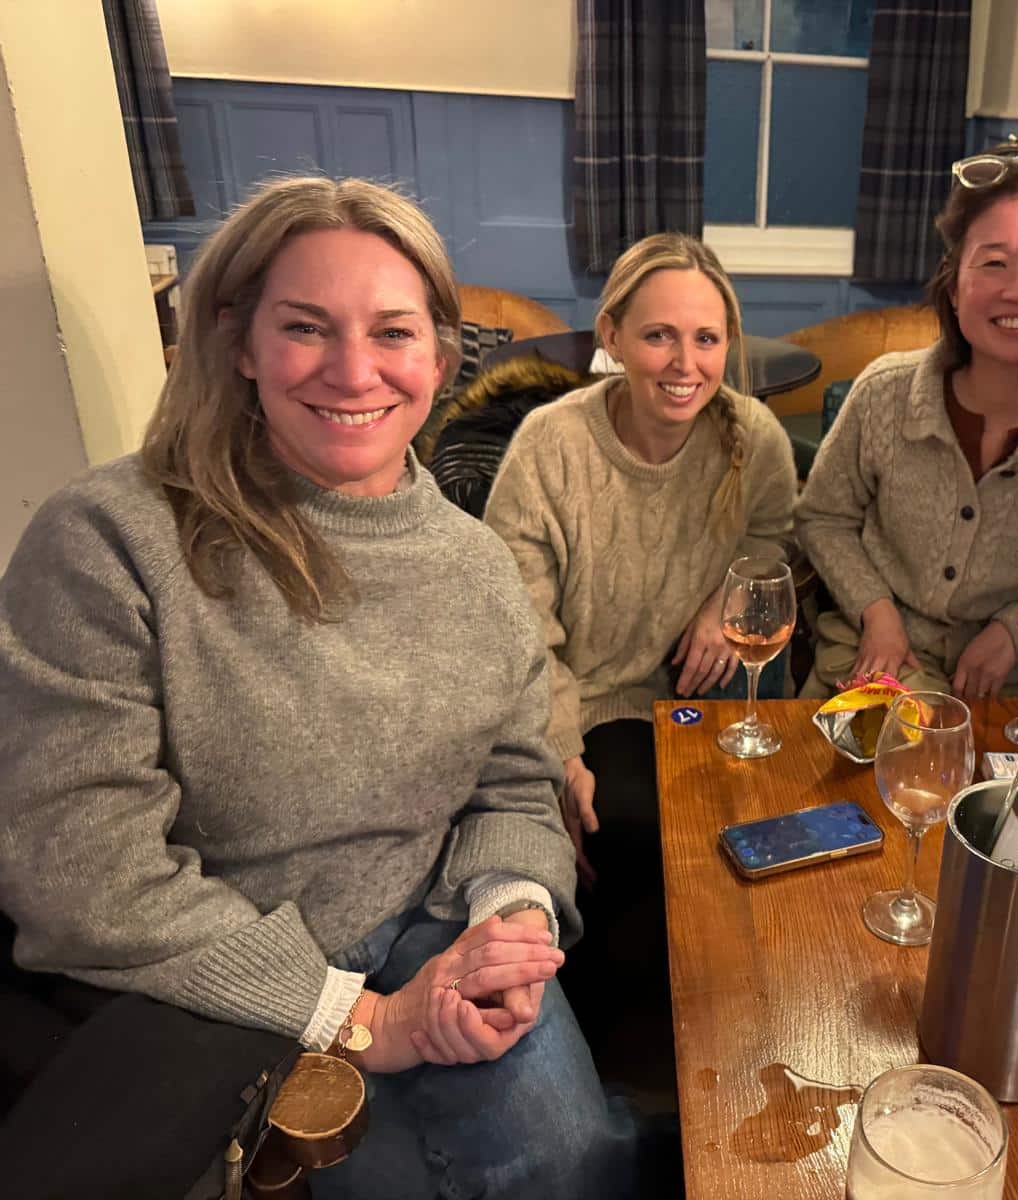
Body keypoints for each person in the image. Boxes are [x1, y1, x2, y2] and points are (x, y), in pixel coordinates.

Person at [0, 177, 635, 1197]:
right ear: (239, 344)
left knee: (572, 1160)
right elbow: (81, 870)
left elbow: (514, 782)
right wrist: (364, 1019)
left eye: (393, 332)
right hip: (216, 970)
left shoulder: (475, 565)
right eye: (305, 327)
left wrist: (511, 919)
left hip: (435, 917)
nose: (353, 371)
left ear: (439, 358)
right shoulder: (109, 539)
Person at [481, 233, 796, 1095]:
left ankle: (726, 1046)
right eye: (659, 336)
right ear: (612, 336)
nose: (685, 364)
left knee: (756, 834)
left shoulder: (754, 438)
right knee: (621, 827)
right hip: (586, 700)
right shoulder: (552, 446)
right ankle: (629, 1079)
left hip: (701, 695)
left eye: (706, 338)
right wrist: (559, 751)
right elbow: (518, 625)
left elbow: (774, 538)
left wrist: (725, 603)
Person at [795, 136, 1018, 701]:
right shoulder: (884, 392)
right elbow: (823, 517)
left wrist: (1014, 632)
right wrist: (876, 611)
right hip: (873, 660)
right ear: (954, 281)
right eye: (993, 263)